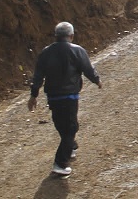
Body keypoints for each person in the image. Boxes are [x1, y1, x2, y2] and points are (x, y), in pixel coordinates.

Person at [28, 21, 102, 177]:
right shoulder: (77, 51)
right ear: (72, 36)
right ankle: (60, 163)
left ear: (56, 36)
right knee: (70, 128)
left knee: (62, 125)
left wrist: (33, 95)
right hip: (69, 96)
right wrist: (97, 80)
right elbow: (87, 69)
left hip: (53, 97)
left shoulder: (45, 52)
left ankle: (71, 147)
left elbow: (38, 76)